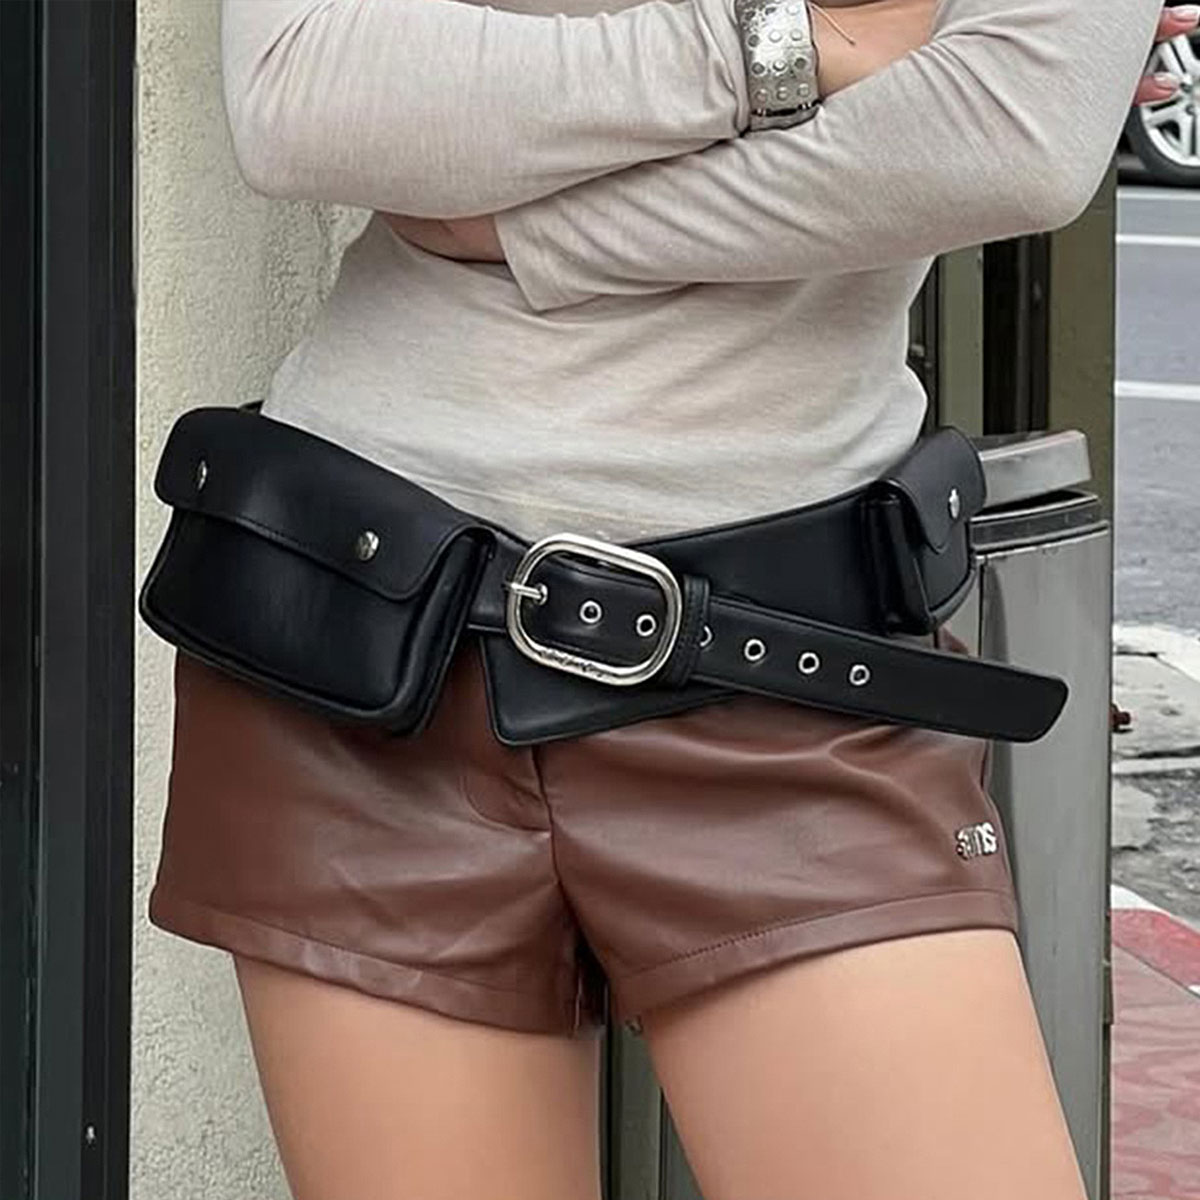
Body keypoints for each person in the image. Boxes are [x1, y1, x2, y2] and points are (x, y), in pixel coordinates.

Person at [146, 0, 1187, 1196]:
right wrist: (790, 45)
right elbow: (303, 98)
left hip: (790, 670)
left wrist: (525, 230)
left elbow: (1012, 133)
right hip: (383, 648)